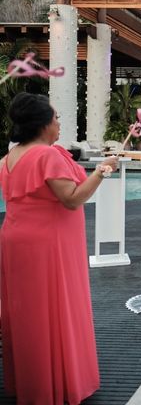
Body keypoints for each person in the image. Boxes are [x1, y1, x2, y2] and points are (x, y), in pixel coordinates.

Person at [0, 92, 118, 404]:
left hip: (15, 240)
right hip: (48, 246)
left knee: (28, 312)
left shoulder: (9, 157)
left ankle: (33, 382)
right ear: (42, 124)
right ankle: (59, 383)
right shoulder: (47, 156)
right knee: (56, 306)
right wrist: (101, 171)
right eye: (56, 118)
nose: (59, 123)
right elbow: (72, 199)